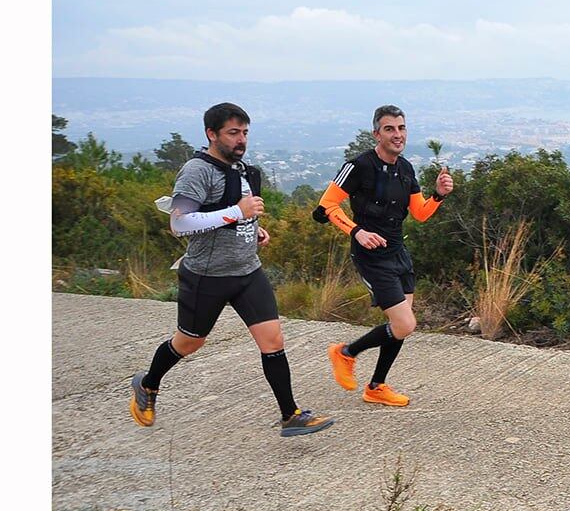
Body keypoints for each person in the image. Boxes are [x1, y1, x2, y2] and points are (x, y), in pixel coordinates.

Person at [128, 103, 334, 437]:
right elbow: (179, 223)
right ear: (212, 134)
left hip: (247, 272)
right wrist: (236, 214)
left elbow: (240, 215)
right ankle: (148, 384)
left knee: (273, 340)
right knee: (189, 342)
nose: (241, 140)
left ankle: (290, 415)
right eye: (233, 133)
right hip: (206, 276)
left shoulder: (244, 171)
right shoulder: (198, 171)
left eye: (245, 133)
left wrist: (253, 228)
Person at [317, 105, 453, 405]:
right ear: (376, 133)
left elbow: (419, 214)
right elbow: (326, 207)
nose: (397, 134)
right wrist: (357, 232)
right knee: (405, 324)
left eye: (401, 128)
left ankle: (376, 386)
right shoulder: (358, 166)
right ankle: (345, 353)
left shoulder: (405, 168)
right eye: (390, 129)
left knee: (400, 328)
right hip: (370, 256)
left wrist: (439, 195)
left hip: (398, 252)